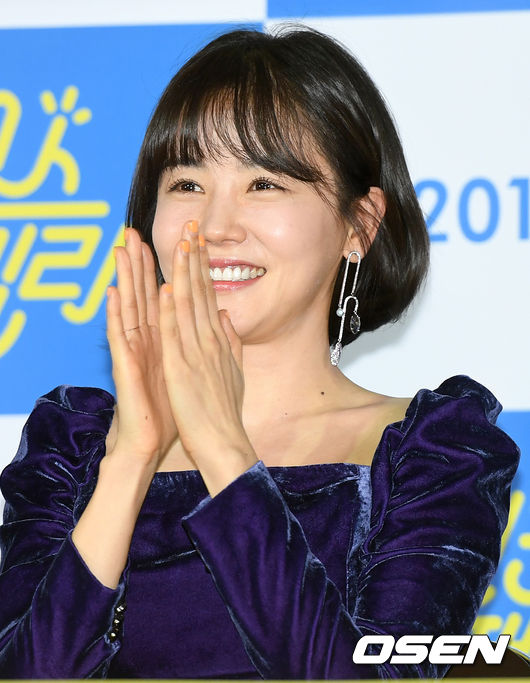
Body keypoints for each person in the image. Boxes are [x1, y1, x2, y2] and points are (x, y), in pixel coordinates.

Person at [0, 24, 520, 679]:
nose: (216, 226)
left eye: (264, 184)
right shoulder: (73, 451)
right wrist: (129, 458)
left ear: (359, 225)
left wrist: (224, 448)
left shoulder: (432, 455)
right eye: (187, 183)